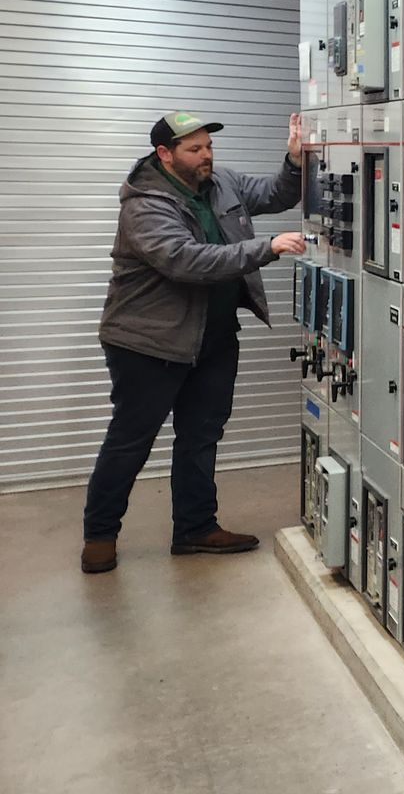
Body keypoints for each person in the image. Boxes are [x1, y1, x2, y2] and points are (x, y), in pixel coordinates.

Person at [80, 111, 309, 574]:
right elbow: (187, 261)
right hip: (149, 343)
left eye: (208, 146)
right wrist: (268, 247)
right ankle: (99, 536)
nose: (206, 155)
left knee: (201, 437)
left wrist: (295, 158)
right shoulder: (144, 203)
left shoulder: (219, 181)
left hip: (214, 337)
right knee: (131, 440)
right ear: (164, 154)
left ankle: (195, 528)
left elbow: (276, 193)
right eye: (194, 149)